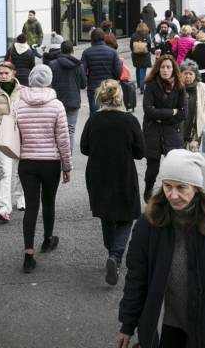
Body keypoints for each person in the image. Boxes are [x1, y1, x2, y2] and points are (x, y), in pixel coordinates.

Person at [116, 149, 205, 348]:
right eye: (167, 186)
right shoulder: (149, 222)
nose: (173, 195)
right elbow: (137, 275)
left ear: (196, 187)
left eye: (181, 187)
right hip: (171, 320)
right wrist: (128, 323)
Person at [80, 80, 144, 286]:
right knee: (127, 216)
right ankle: (115, 255)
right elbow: (140, 152)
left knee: (106, 215)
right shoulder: (129, 120)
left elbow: (84, 148)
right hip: (123, 172)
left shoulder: (94, 120)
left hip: (98, 172)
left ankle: (112, 254)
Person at [14, 65, 71, 272]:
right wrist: (67, 166)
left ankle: (28, 254)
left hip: (27, 161)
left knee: (31, 206)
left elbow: (14, 134)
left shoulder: (18, 104)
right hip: (50, 162)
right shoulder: (57, 105)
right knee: (48, 202)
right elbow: (63, 140)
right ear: (49, 80)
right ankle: (47, 239)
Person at [141, 55, 187, 203]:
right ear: (158, 69)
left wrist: (162, 117)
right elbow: (148, 110)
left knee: (173, 167)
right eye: (163, 67)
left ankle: (169, 194)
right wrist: (170, 112)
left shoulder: (180, 86)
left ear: (173, 69)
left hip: (172, 132)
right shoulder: (151, 85)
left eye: (168, 67)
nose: (166, 70)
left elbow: (183, 113)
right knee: (152, 169)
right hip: (152, 131)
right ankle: (148, 188)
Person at [0, 62, 24, 221]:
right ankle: (4, 207)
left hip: (21, 136)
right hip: (2, 137)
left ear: (13, 73)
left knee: (20, 170)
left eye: (6, 73)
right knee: (5, 172)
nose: (3, 76)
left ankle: (21, 198)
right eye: (1, 73)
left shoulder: (23, 91)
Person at [48, 41, 85, 150]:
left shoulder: (53, 64)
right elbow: (83, 85)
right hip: (73, 101)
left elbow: (48, 82)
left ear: (61, 50)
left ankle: (57, 155)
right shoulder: (79, 65)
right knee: (71, 130)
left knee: (56, 129)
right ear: (72, 51)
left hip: (56, 101)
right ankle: (68, 157)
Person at [81, 28, 122, 111]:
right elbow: (118, 72)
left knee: (94, 113)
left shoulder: (87, 52)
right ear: (104, 37)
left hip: (93, 86)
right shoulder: (113, 52)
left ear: (91, 38)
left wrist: (85, 83)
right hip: (109, 86)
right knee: (110, 111)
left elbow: (82, 71)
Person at [178, 60, 205, 153]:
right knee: (180, 152)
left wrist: (204, 118)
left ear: (195, 75)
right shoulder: (178, 87)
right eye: (185, 73)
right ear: (180, 74)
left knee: (193, 153)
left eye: (190, 74)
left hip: (195, 126)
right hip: (180, 126)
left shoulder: (201, 86)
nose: (188, 76)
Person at [129, 22, 152, 92]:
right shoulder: (147, 36)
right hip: (144, 56)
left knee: (138, 69)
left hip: (136, 56)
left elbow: (131, 46)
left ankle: (139, 85)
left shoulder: (134, 35)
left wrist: (135, 50)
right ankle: (142, 88)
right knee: (143, 71)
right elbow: (149, 46)